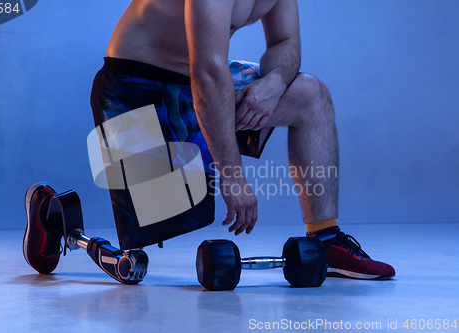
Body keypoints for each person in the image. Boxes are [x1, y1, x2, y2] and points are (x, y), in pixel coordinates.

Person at [24, 0, 395, 280]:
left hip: (198, 86)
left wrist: (274, 82)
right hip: (136, 91)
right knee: (150, 235)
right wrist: (232, 177)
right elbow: (207, 72)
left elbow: (286, 43)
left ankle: (328, 240)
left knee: (311, 95)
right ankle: (52, 215)